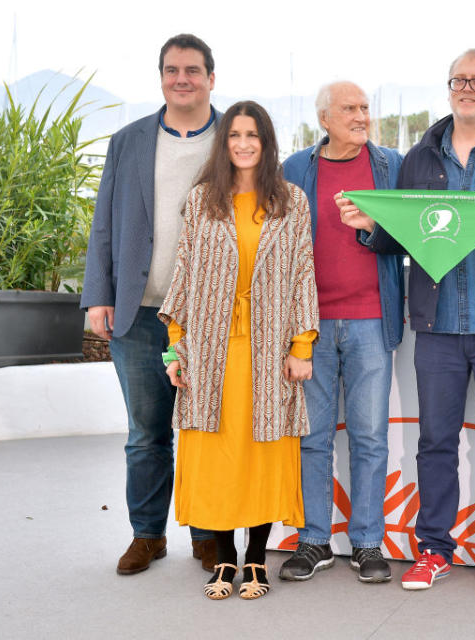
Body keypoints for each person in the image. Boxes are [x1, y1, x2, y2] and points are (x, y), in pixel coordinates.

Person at [338, 49, 475, 597]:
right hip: (437, 326)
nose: (468, 88)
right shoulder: (418, 159)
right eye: (459, 80)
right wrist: (371, 225)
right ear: (449, 89)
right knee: (434, 441)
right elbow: (406, 237)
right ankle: (433, 548)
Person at [158, 100, 319, 600]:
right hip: (210, 351)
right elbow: (183, 274)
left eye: (253, 135)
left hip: (270, 351)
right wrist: (174, 350)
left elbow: (302, 274)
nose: (244, 143)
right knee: (217, 456)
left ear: (267, 143)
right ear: (224, 143)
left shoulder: (291, 200)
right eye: (235, 135)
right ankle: (224, 559)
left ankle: (257, 560)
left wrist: (302, 345)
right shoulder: (203, 199)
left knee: (264, 453)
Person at [80, 33, 220, 574]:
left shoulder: (233, 137)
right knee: (146, 434)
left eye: (191, 70)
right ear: (162, 77)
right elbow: (104, 223)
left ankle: (209, 536)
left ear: (211, 77)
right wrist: (98, 296)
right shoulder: (130, 140)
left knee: (206, 428)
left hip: (206, 315)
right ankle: (147, 535)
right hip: (138, 312)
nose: (181, 79)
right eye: (171, 70)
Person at [280, 82, 404, 583]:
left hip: (372, 320)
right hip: (310, 325)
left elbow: (410, 237)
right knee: (312, 438)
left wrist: (372, 226)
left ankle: (367, 543)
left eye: (365, 108)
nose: (361, 117)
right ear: (324, 119)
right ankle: (314, 540)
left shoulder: (391, 166)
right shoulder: (294, 169)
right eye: (350, 109)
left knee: (370, 437)